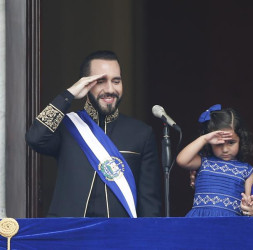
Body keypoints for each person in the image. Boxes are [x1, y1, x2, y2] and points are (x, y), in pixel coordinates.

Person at [25, 50, 162, 218]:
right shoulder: (67, 127)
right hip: (70, 236)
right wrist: (68, 95)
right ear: (85, 84)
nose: (110, 89)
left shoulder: (141, 133)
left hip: (120, 239)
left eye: (116, 81)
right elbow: (35, 138)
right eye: (100, 81)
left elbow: (149, 203)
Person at [177, 104, 253, 217]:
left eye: (231, 142)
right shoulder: (204, 162)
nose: (225, 149)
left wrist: (247, 204)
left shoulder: (246, 170)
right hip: (199, 220)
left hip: (229, 223)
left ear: (241, 140)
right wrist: (204, 139)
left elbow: (248, 204)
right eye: (219, 144)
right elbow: (181, 160)